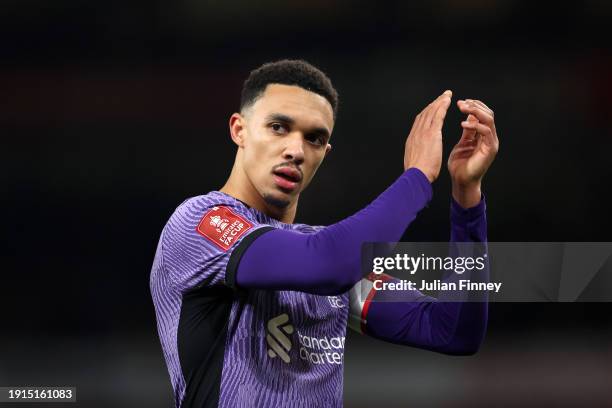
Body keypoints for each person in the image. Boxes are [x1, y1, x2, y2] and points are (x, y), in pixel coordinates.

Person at [150, 59, 499, 407]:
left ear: (325, 152)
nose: (296, 151)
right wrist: (417, 178)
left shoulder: (321, 252)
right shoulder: (200, 224)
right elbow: (329, 264)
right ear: (239, 130)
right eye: (278, 127)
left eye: (314, 138)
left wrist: (466, 199)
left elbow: (453, 331)